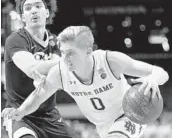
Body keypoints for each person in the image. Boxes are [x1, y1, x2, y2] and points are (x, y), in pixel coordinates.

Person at [2, 26, 169, 138]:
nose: (64, 58)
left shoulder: (111, 61)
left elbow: (161, 72)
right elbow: (38, 96)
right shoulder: (60, 73)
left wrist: (153, 79)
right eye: (62, 52)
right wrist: (21, 111)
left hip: (129, 114)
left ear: (88, 51)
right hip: (102, 126)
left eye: (70, 53)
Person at [1, 0, 76, 138]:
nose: (33, 10)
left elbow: (56, 72)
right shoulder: (15, 39)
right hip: (20, 115)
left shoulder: (55, 41)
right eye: (27, 8)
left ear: (47, 12)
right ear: (23, 17)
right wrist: (68, 61)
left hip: (49, 116)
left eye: (37, 6)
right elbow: (32, 68)